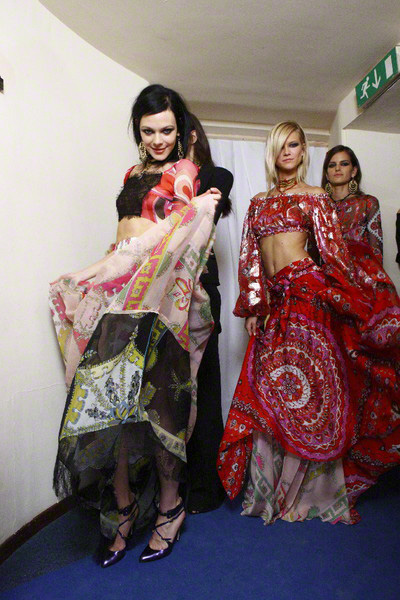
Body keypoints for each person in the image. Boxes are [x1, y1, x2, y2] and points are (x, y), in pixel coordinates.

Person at [49, 84, 221, 567]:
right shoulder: (132, 173)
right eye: (148, 131)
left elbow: (179, 233)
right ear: (138, 132)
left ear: (180, 130)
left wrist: (203, 204)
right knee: (112, 402)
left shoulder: (184, 171)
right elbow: (124, 235)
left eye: (166, 130)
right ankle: (123, 505)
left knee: (158, 403)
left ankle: (170, 505)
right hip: (119, 291)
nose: (158, 139)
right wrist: (100, 273)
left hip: (157, 296)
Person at [217, 121, 400, 526]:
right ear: (272, 151)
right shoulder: (257, 202)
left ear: (303, 152)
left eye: (294, 144)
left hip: (309, 296)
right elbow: (250, 259)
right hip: (275, 302)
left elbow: (333, 254)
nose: (287, 151)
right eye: (280, 145)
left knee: (309, 389)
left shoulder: (316, 196)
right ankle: (270, 490)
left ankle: (311, 492)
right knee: (272, 390)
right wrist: (255, 307)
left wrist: (350, 299)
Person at [185, 114, 233, 513]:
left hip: (200, 289)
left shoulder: (215, 176)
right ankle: (174, 485)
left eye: (173, 130)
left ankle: (206, 486)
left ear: (191, 135)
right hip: (164, 292)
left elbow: (201, 217)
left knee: (204, 384)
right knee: (171, 390)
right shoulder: (159, 180)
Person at [309, 145, 383, 264]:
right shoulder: (318, 207)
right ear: (327, 174)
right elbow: (313, 252)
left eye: (344, 164)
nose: (337, 168)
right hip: (325, 273)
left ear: (354, 171)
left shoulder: (368, 203)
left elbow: (376, 253)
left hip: (362, 273)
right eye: (332, 165)